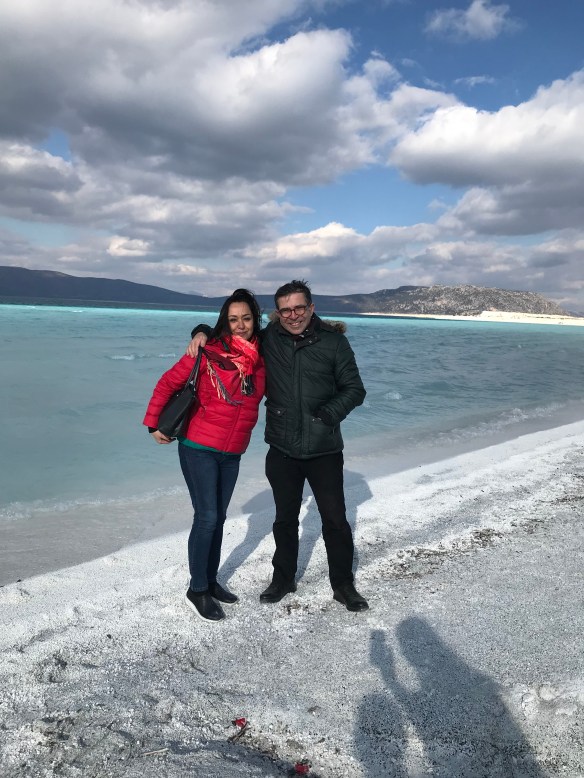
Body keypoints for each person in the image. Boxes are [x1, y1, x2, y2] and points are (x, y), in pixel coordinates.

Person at [189, 280, 368, 612]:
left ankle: (343, 585)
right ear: (277, 314)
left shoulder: (334, 342)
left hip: (324, 449)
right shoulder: (268, 338)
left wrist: (327, 416)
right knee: (284, 519)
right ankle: (283, 579)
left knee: (335, 520)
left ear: (311, 308)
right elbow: (230, 333)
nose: (293, 315)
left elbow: (354, 389)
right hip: (282, 448)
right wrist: (200, 332)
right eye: (285, 310)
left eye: (299, 308)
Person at [144, 289, 265, 623]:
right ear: (224, 322)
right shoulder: (207, 351)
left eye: (246, 318)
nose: (240, 325)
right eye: (233, 319)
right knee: (207, 517)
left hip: (233, 452)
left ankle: (210, 581)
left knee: (219, 518)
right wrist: (153, 424)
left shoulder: (261, 358)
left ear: (255, 320)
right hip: (198, 447)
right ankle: (196, 589)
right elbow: (167, 383)